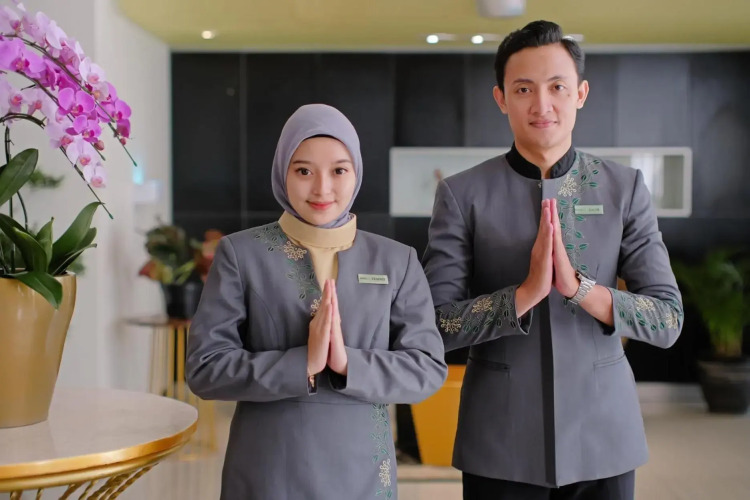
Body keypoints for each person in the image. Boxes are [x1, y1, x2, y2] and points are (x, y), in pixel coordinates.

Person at [422, 20, 683, 500]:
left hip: (604, 435)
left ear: (580, 93)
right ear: (501, 98)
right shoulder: (462, 194)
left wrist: (582, 290)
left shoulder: (623, 189)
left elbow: (667, 318)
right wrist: (523, 296)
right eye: (523, 89)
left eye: (557, 87)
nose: (541, 105)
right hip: (500, 438)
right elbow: (435, 325)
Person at [187, 104, 447, 499]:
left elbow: (427, 369)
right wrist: (301, 363)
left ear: (356, 173)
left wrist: (347, 364)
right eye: (304, 171)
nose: (322, 188)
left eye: (339, 170)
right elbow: (205, 369)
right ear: (282, 173)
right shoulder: (241, 255)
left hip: (362, 474)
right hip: (269, 473)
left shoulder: (397, 261)